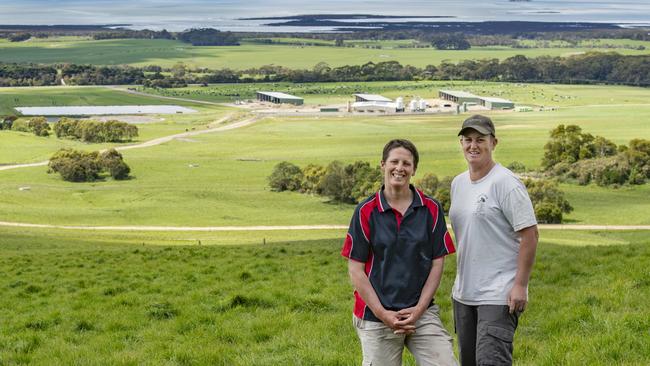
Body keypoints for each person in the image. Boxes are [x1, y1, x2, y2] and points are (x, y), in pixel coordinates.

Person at [341, 139, 458, 366]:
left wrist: (420, 308)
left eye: (407, 163)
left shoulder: (431, 209)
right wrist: (384, 314)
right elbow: (355, 269)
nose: (400, 168)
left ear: (414, 169)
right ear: (383, 165)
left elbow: (437, 263)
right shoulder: (366, 211)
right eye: (394, 161)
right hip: (376, 315)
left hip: (420, 312)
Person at [449, 115, 539, 366]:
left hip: (498, 294)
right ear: (461, 143)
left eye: (480, 140)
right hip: (464, 294)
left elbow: (530, 235)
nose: (473, 145)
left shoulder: (505, 183)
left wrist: (520, 285)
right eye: (467, 140)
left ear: (494, 142)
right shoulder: (458, 184)